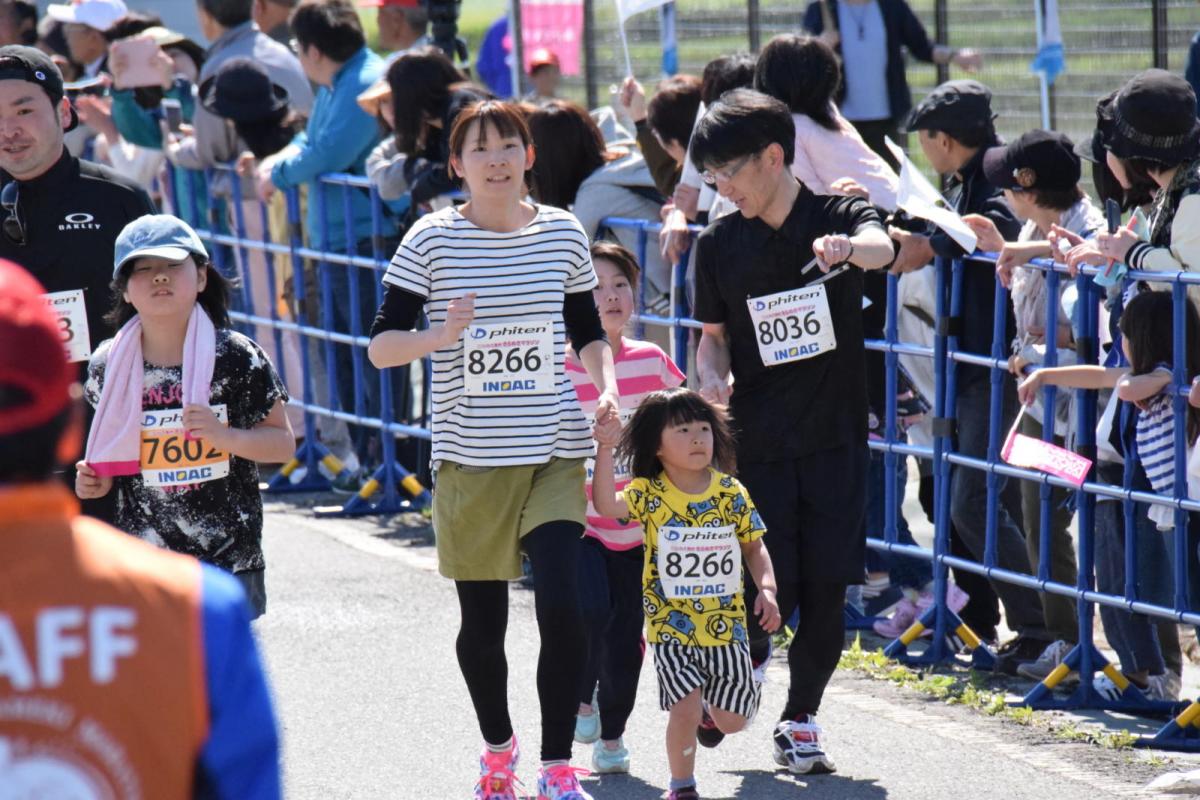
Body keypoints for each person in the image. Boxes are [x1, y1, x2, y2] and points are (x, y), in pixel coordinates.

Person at [368, 100, 619, 800]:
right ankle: (498, 747)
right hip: (471, 457)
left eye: (509, 144)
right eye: (479, 149)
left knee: (565, 603)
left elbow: (585, 327)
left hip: (553, 451)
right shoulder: (431, 240)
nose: (497, 159)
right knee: (484, 623)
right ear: (457, 165)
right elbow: (381, 346)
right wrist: (437, 339)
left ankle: (557, 764)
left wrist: (606, 389)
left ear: (529, 155)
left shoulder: (564, 233)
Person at [0, 258, 283, 799]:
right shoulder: (201, 610)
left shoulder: (237, 354)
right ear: (68, 431)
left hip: (228, 546)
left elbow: (279, 437)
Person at [689, 89, 894, 773]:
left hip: (837, 435)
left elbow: (881, 243)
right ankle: (737, 677)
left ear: (774, 157)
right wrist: (710, 376)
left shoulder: (833, 214)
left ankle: (800, 718)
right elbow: (711, 340)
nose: (721, 186)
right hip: (758, 444)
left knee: (828, 590)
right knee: (767, 588)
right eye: (711, 175)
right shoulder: (719, 243)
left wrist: (850, 250)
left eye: (731, 171)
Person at [889, 79, 1052, 673]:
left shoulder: (994, 173)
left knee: (974, 500)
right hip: (975, 360)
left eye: (926, 141)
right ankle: (1006, 622)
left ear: (944, 139)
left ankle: (1039, 625)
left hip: (1000, 363)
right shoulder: (965, 179)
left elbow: (994, 225)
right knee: (975, 495)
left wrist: (932, 242)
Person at [75, 214, 295, 619]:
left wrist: (224, 437)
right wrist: (96, 478)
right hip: (143, 558)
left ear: (201, 278)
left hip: (228, 557)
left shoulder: (236, 356)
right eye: (143, 269)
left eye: (173, 266)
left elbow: (282, 443)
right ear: (123, 290)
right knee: (156, 681)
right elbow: (111, 450)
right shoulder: (108, 364)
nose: (160, 278)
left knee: (218, 680)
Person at [959, 129, 1104, 679]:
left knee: (1081, 517)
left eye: (1011, 185)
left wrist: (1039, 348)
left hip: (1084, 409)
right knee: (1037, 512)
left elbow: (1086, 283)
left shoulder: (1087, 228)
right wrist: (1009, 249)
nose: (1007, 196)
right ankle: (1059, 635)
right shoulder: (1028, 230)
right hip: (1044, 407)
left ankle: (1081, 643)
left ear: (1030, 188)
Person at [590, 388, 781, 800]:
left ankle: (717, 710)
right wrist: (605, 450)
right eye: (682, 430)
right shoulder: (649, 493)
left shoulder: (730, 492)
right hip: (670, 626)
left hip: (726, 625)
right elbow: (606, 504)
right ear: (656, 447)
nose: (697, 438)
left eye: (703, 429)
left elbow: (754, 546)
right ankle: (682, 786)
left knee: (732, 721)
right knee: (684, 708)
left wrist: (766, 589)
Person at [1018, 289, 1200, 700]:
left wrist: (1152, 378)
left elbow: (1125, 388)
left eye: (1126, 336)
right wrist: (1045, 375)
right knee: (1136, 585)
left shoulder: (1170, 377)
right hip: (1163, 504)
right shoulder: (1148, 375)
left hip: (1181, 504)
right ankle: (1142, 675)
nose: (1122, 345)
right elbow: (1100, 376)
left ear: (1149, 338)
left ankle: (1155, 675)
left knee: (1180, 595)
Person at [258, 0, 393, 479]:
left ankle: (390, 462)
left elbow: (328, 152)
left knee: (372, 357)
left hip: (365, 242)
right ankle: (371, 462)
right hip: (338, 243)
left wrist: (281, 170)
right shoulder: (338, 82)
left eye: (297, 46)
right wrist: (284, 162)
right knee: (345, 357)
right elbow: (309, 141)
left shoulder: (362, 82)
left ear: (312, 50)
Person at [565, 241, 685, 775]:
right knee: (590, 616)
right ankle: (581, 694)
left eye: (620, 285)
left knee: (626, 635)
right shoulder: (556, 366)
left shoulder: (652, 361)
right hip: (577, 522)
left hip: (641, 530)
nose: (610, 296)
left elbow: (688, 423)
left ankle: (611, 736)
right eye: (595, 286)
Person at [526, 100, 670, 314]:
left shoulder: (596, 192)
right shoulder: (620, 162)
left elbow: (564, 256)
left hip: (664, 304)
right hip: (675, 290)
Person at [802, 0, 981, 169]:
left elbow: (923, 46)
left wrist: (955, 56)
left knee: (894, 186)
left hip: (887, 121)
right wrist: (822, 44)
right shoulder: (821, 9)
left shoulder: (892, 6)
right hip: (839, 122)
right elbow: (803, 62)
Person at [754, 33, 897, 210]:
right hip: (897, 204)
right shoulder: (829, 114)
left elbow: (809, 206)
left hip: (878, 217)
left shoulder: (790, 130)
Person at [385, 47, 490, 208]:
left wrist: (422, 188)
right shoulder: (439, 120)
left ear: (410, 94)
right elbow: (422, 161)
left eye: (395, 95)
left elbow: (458, 171)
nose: (393, 105)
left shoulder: (461, 106)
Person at [45, 0, 125, 79]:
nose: (66, 36)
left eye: (70, 29)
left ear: (93, 37)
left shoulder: (118, 79)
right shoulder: (90, 73)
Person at [361, 0, 428, 59]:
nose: (377, 20)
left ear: (396, 20)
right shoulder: (396, 59)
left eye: (380, 12)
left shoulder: (424, 63)